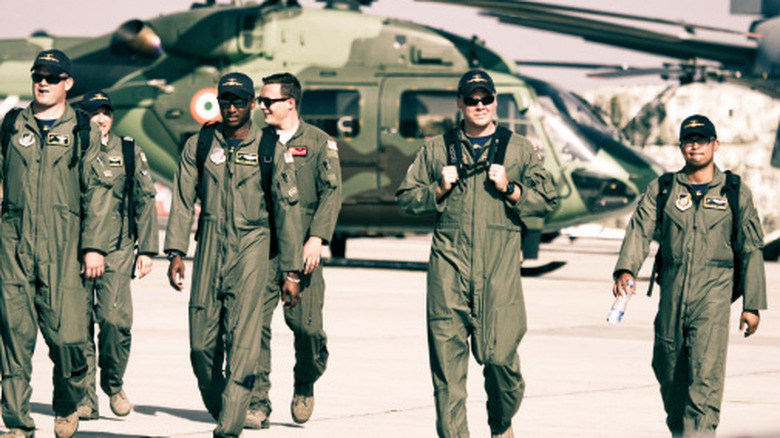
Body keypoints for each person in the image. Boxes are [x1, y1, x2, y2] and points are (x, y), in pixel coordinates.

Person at [395, 69, 558, 438]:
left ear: (496, 102)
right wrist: (437, 189)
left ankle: (501, 421)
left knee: (500, 360)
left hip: (498, 269)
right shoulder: (438, 148)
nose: (479, 105)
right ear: (460, 103)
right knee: (448, 374)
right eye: (472, 99)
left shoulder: (519, 148)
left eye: (486, 99)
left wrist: (512, 189)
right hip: (448, 268)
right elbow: (406, 197)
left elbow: (547, 200)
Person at [164, 72, 303, 438]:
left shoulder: (270, 149)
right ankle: (224, 406)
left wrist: (291, 272)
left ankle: (228, 429)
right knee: (200, 346)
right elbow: (182, 198)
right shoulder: (200, 143)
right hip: (209, 245)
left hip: (252, 247)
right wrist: (177, 250)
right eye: (225, 100)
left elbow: (288, 212)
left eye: (239, 101)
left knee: (243, 342)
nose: (231, 107)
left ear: (253, 105)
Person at [612, 114, 767, 437]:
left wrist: (751, 305)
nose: (695, 145)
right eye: (689, 140)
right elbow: (640, 229)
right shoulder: (664, 188)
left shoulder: (735, 192)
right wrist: (627, 269)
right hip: (672, 291)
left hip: (713, 296)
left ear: (715, 145)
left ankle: (699, 431)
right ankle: (681, 431)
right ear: (681, 146)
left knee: (704, 379)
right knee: (667, 370)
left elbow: (751, 248)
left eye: (702, 140)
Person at [0, 50, 110, 438]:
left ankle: (67, 400)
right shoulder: (13, 125)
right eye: (38, 75)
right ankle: (17, 423)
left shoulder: (83, 130)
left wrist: (94, 246)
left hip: (64, 250)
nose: (43, 82)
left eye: (52, 76)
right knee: (14, 338)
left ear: (68, 83)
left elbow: (98, 192)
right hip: (13, 246)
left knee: (68, 338)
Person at [246, 73, 341, 429]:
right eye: (261, 100)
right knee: (254, 327)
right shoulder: (255, 141)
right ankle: (257, 403)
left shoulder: (318, 142)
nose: (262, 106)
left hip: (303, 250)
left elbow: (331, 193)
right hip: (261, 249)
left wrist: (317, 237)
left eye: (269, 100)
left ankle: (305, 381)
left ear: (290, 103)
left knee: (309, 330)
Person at [76, 90, 159, 421]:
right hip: (76, 250)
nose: (101, 118)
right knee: (78, 326)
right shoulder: (74, 149)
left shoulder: (127, 150)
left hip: (119, 248)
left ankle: (113, 382)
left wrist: (148, 249)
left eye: (106, 112)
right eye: (94, 113)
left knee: (114, 320)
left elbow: (145, 197)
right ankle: (84, 397)